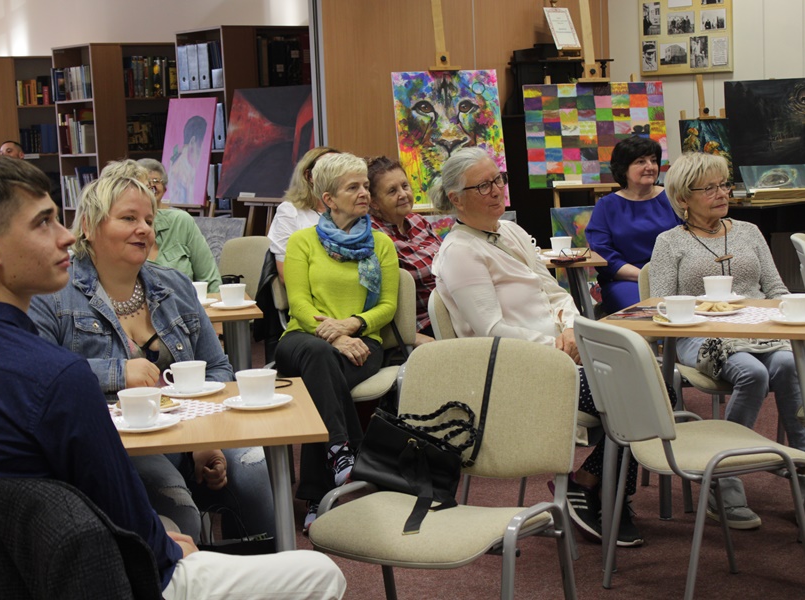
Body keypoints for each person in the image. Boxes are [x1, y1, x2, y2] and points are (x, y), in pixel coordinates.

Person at [0, 154, 345, 600]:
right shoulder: (59, 378)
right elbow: (128, 523)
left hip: (2, 576)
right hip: (111, 577)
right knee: (320, 572)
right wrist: (163, 540)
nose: (64, 237)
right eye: (44, 224)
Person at [29, 163, 275, 543]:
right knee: (179, 511)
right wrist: (117, 372)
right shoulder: (53, 294)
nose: (144, 228)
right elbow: (38, 377)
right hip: (113, 444)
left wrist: (204, 439)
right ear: (90, 228)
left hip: (189, 431)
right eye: (129, 218)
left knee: (255, 468)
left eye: (148, 218)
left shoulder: (173, 284)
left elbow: (218, 368)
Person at [430, 146, 652, 547]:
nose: (497, 190)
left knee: (652, 384)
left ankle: (590, 484)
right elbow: (491, 330)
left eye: (498, 179)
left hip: (560, 355)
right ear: (455, 199)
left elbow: (556, 293)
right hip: (516, 370)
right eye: (484, 185)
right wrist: (556, 345)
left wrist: (570, 330)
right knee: (637, 391)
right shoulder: (460, 252)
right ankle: (599, 491)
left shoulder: (509, 231)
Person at [650, 151, 805, 531]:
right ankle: (723, 479)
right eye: (710, 188)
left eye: (725, 184)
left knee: (788, 365)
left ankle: (802, 469)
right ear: (683, 198)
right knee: (751, 373)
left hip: (758, 330)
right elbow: (659, 306)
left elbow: (775, 289)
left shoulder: (749, 232)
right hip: (697, 336)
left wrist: (777, 313)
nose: (722, 193)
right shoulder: (669, 242)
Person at [274, 152, 399, 531]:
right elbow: (298, 305)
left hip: (364, 341)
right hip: (303, 338)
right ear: (328, 198)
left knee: (320, 380)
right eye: (353, 187)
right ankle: (345, 453)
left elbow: (388, 307)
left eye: (365, 185)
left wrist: (351, 326)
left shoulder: (381, 244)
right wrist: (334, 335)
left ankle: (325, 478)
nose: (364, 192)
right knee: (317, 354)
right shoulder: (302, 242)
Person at [585, 136, 681, 315]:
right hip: (627, 281)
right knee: (651, 314)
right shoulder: (607, 206)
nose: (650, 167)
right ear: (623, 168)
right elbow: (605, 255)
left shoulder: (673, 198)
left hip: (677, 277)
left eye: (653, 160)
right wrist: (647, 277)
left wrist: (670, 277)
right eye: (640, 161)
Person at [367, 155, 441, 345]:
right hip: (421, 325)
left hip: (453, 310)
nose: (402, 194)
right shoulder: (373, 238)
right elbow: (376, 301)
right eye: (392, 191)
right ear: (374, 202)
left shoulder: (419, 222)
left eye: (405, 186)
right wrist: (411, 337)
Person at [137, 157, 220, 290]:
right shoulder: (123, 231)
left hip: (189, 307)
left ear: (165, 188)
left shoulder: (182, 221)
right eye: (145, 184)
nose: (151, 187)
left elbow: (210, 280)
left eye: (156, 181)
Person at [269, 146, 339, 283]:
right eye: (328, 170)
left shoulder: (352, 211)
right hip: (311, 294)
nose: (336, 176)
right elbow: (286, 274)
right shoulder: (290, 211)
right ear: (309, 176)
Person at [168, 115, 207, 205]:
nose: (202, 154)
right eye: (200, 146)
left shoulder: (178, 160)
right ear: (193, 142)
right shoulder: (183, 170)